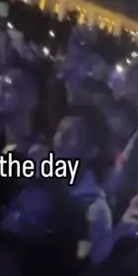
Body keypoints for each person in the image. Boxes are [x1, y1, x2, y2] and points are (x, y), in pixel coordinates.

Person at [53, 104, 112, 260]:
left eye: (69, 136)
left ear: (91, 151)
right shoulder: (41, 183)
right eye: (59, 131)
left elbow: (90, 265)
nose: (58, 141)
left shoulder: (95, 210)